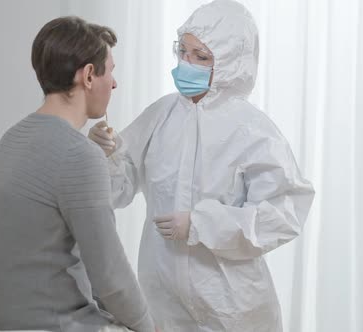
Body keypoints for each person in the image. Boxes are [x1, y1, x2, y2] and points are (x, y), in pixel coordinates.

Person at [88, 0, 315, 331]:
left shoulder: (251, 130)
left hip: (231, 305)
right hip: (163, 299)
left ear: (230, 64)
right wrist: (102, 154)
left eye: (202, 57)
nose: (186, 63)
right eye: (184, 50)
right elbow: (117, 189)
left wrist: (203, 223)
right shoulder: (161, 116)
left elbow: (285, 213)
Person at [0, 16, 157, 332]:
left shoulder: (14, 136)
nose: (115, 83)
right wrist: (149, 327)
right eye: (110, 70)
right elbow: (111, 278)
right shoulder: (78, 155)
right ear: (89, 75)